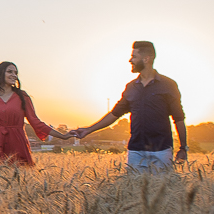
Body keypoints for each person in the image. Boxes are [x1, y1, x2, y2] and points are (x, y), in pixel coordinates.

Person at [70, 41, 187, 173]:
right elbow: (114, 114)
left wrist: (183, 147)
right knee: (133, 190)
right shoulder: (131, 87)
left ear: (146, 59)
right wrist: (88, 130)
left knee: (162, 190)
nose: (130, 60)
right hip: (136, 151)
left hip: (161, 151)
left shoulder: (168, 85)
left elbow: (179, 118)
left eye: (134, 56)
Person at [0, 61, 71, 166]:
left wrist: (63, 136)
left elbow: (36, 122)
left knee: (20, 176)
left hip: (17, 144)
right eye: (10, 72)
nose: (14, 75)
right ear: (0, 73)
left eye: (15, 73)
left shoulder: (23, 97)